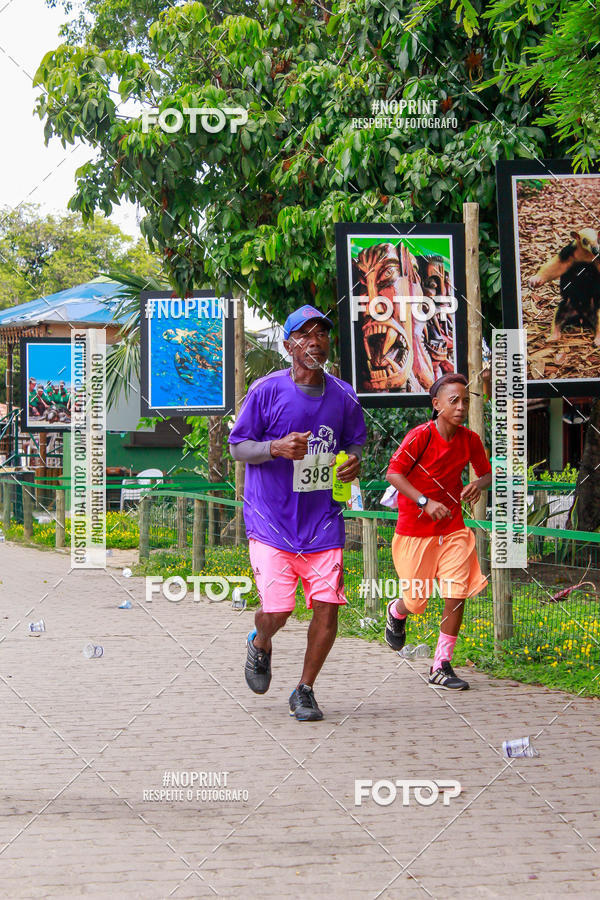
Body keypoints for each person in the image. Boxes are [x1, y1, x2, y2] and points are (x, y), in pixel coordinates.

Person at [229, 304, 367, 721]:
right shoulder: (266, 391)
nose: (315, 341)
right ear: (289, 345)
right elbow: (239, 447)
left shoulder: (343, 395)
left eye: (321, 334)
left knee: (328, 605)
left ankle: (304, 690)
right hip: (271, 521)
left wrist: (353, 461)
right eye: (305, 335)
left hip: (322, 521)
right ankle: (260, 642)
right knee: (278, 611)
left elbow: (357, 443)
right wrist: (275, 447)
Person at [384, 372, 492, 690]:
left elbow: (486, 474)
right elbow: (394, 473)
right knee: (417, 602)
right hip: (415, 531)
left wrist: (477, 484)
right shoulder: (420, 436)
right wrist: (424, 501)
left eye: (465, 401)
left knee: (456, 593)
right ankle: (397, 610)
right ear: (437, 404)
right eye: (453, 401)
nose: (460, 407)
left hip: (453, 529)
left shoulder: (470, 440)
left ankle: (441, 664)